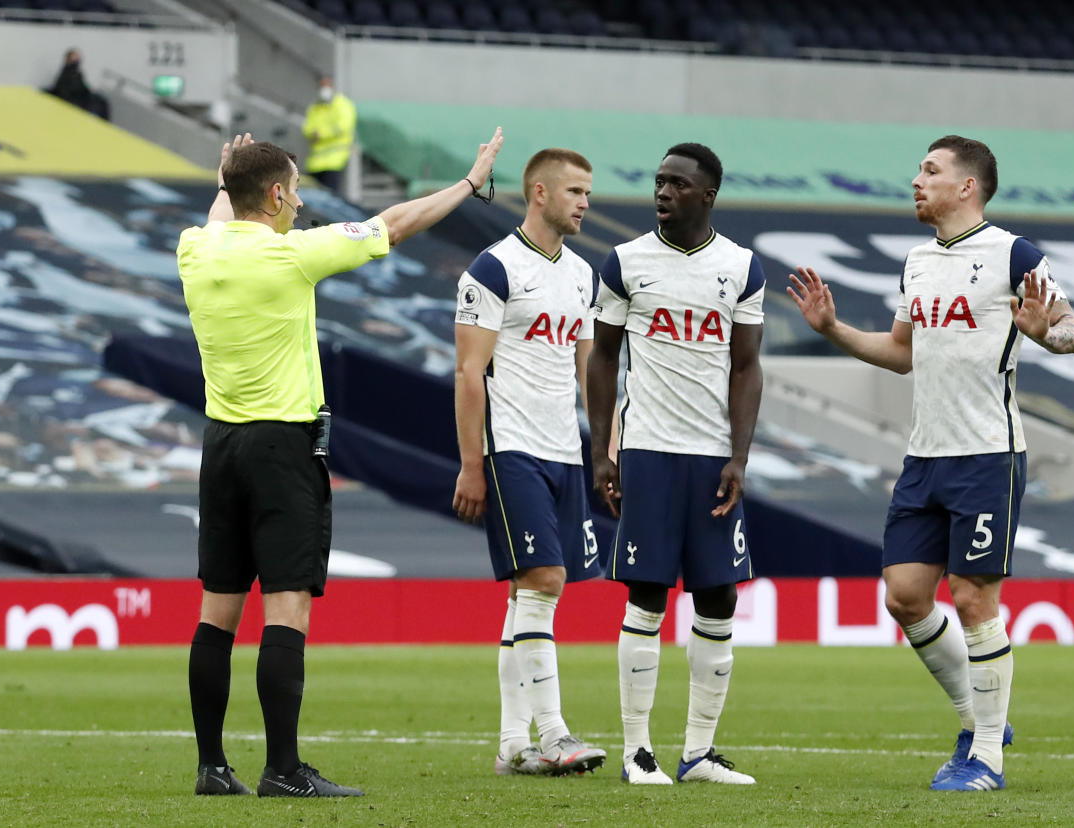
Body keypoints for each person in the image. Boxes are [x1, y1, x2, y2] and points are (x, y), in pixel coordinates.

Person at [179, 127, 503, 797]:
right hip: (281, 448)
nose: (299, 202)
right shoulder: (292, 257)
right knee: (287, 606)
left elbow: (221, 212)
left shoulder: (195, 248)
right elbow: (394, 223)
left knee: (217, 612)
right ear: (273, 195)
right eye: (294, 190)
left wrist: (226, 172)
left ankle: (213, 767)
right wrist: (469, 185)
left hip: (220, 446)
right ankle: (283, 770)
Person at [787, 135, 1074, 792]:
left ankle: (984, 757)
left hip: (986, 453)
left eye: (930, 170)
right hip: (924, 456)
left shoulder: (1013, 254)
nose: (916, 180)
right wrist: (832, 329)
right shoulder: (917, 261)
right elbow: (902, 352)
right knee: (905, 596)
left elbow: (1073, 329)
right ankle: (981, 717)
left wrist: (1044, 334)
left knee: (975, 597)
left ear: (967, 187)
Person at [587, 143, 765, 786]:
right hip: (649, 451)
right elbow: (602, 357)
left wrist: (740, 455)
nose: (662, 192)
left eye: (677, 184)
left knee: (717, 597)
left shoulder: (741, 268)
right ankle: (639, 752)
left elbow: (746, 367)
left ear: (707, 195)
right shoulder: (625, 262)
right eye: (659, 181)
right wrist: (603, 450)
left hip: (713, 453)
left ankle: (697, 753)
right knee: (647, 593)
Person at [452, 148, 607, 778]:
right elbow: (469, 372)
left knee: (532, 594)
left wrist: (607, 450)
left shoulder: (582, 275)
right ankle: (553, 733)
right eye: (574, 191)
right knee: (543, 583)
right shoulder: (493, 269)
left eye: (588, 193)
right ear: (538, 193)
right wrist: (471, 463)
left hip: (563, 451)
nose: (585, 203)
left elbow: (592, 372)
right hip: (510, 445)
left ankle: (513, 743)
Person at [301, 76, 357, 195]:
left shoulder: (342, 104)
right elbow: (307, 128)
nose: (324, 89)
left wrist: (320, 134)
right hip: (315, 162)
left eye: (327, 86)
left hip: (335, 160)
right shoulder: (315, 107)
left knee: (330, 196)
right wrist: (313, 133)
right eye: (322, 86)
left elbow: (343, 126)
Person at [47, 48, 110, 121]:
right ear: (69, 58)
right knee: (101, 103)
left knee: (102, 102)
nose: (77, 59)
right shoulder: (67, 71)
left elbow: (83, 88)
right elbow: (63, 88)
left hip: (82, 99)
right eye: (74, 57)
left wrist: (88, 93)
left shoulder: (77, 73)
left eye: (77, 57)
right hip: (75, 101)